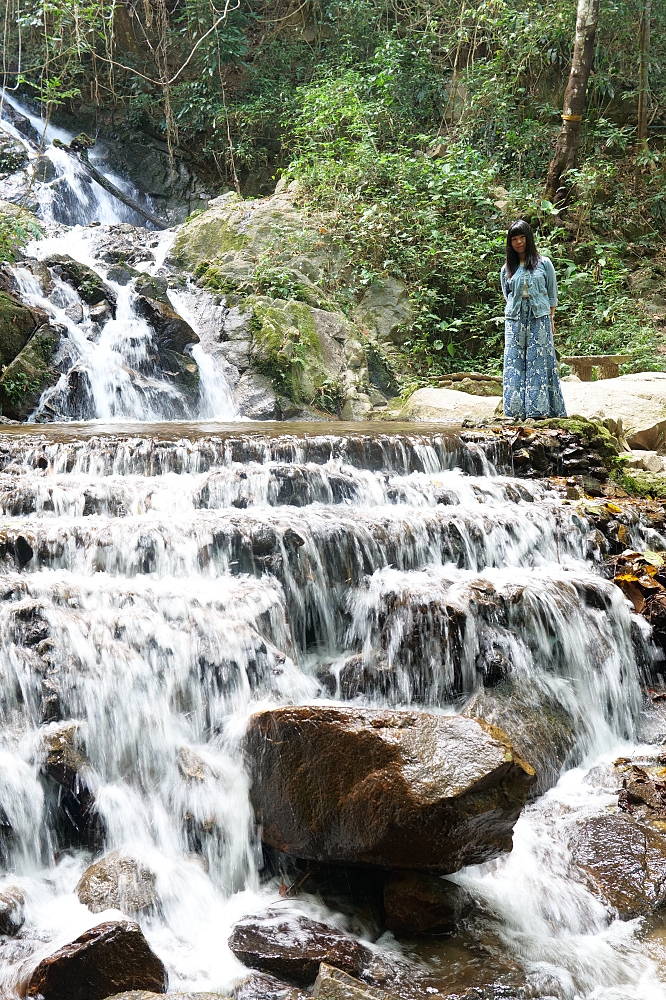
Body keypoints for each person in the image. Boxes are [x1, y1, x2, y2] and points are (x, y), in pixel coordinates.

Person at [501, 219, 567, 420]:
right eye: (514, 239)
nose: (519, 242)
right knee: (514, 361)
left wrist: (552, 317)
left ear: (529, 239)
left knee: (539, 360)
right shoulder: (507, 269)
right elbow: (508, 294)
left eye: (522, 237)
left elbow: (552, 293)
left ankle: (540, 411)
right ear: (510, 243)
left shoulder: (544, 263)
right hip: (514, 319)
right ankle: (515, 411)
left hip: (540, 316)